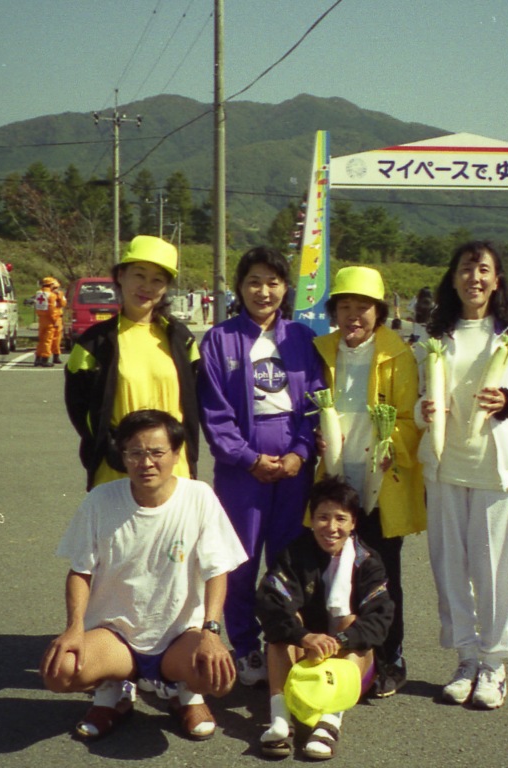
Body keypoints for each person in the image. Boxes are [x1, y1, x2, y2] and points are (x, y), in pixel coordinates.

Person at [40, 410, 248, 742]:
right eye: (135, 453)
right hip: (115, 635)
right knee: (59, 672)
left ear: (176, 454)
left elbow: (216, 570)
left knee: (218, 678)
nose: (146, 462)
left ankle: (186, 695)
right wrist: (74, 628)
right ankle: (113, 692)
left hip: (179, 636)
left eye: (156, 452)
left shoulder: (199, 497)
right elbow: (80, 570)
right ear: (122, 456)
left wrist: (211, 631)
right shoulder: (100, 500)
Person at [415, 240, 508, 709]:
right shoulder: (432, 337)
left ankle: (494, 664)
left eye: (483, 270)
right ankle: (465, 658)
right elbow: (415, 398)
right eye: (465, 269)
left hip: (495, 471)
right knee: (449, 570)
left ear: (497, 280)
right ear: (453, 277)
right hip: (444, 467)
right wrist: (423, 411)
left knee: (494, 571)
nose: (474, 278)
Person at [197, 246, 324, 686]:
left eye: (273, 282)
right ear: (239, 287)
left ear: (286, 288)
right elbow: (214, 412)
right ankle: (245, 645)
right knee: (240, 560)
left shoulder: (302, 339)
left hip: (293, 470)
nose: (263, 291)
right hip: (241, 473)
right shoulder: (219, 339)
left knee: (289, 560)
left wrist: (300, 452)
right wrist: (248, 458)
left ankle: (285, 641)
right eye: (254, 281)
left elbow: (316, 403)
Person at [312, 265, 424, 698]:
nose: (353, 316)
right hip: (333, 484)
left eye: (363, 307)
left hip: (381, 484)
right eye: (345, 307)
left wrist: (391, 444)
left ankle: (391, 657)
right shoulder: (322, 352)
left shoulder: (398, 355)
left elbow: (411, 420)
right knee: (326, 570)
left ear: (379, 312)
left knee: (382, 576)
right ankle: (332, 652)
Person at [255, 476, 393, 760]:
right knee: (281, 632)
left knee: (351, 621)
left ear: (353, 523)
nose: (331, 527)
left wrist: (338, 641)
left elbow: (379, 620)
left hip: (348, 660)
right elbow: (270, 602)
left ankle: (329, 724)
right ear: (311, 519)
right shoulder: (294, 554)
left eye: (341, 519)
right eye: (323, 518)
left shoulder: (368, 561)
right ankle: (280, 721)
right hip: (305, 653)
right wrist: (304, 636)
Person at [65, 235, 200, 490]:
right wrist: (110, 447)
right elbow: (79, 409)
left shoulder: (181, 339)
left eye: (157, 280)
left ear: (166, 287)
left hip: (174, 467)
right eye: (139, 275)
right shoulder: (93, 343)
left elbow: (194, 405)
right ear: (121, 276)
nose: (146, 286)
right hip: (116, 468)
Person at [34, 277, 60, 367]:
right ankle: (45, 359)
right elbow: (52, 310)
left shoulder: (38, 293)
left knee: (41, 340)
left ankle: (37, 359)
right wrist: (55, 321)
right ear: (51, 285)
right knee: (48, 341)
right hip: (49, 321)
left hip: (41, 320)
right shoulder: (51, 295)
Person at [50, 279, 68, 365]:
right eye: (54, 288)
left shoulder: (60, 294)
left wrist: (59, 296)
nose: (55, 289)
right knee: (47, 339)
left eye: (57, 287)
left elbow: (64, 304)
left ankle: (56, 356)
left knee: (57, 339)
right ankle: (43, 357)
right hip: (50, 318)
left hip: (58, 318)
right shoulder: (47, 295)